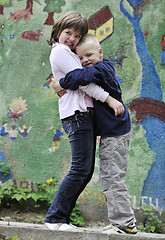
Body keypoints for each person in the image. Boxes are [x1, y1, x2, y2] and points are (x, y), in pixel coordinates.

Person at [44, 12, 124, 231]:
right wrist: (110, 99)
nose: (72, 38)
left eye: (77, 36)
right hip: (77, 114)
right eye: (68, 32)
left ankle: (61, 218)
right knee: (80, 169)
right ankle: (55, 219)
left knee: (85, 171)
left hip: (82, 114)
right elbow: (84, 82)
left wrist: (62, 84)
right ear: (58, 30)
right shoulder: (60, 51)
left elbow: (76, 79)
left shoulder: (68, 52)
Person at [53, 33, 137, 234]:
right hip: (113, 134)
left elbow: (82, 77)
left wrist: (61, 82)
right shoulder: (98, 68)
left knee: (112, 177)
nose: (85, 61)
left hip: (116, 134)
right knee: (109, 177)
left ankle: (125, 224)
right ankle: (121, 222)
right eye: (80, 58)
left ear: (100, 52)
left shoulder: (102, 68)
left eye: (88, 55)